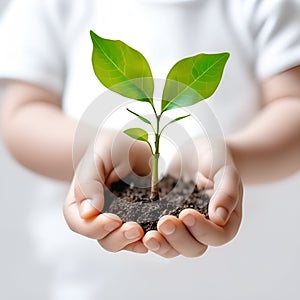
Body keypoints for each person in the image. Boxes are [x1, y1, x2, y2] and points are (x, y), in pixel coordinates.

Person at [1, 0, 300, 299]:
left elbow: (292, 104)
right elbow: (21, 113)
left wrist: (230, 154)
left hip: (247, 282)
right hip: (95, 286)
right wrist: (97, 148)